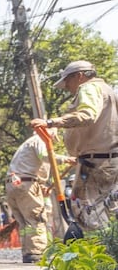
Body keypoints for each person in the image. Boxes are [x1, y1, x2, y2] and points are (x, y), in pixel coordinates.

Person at [31, 60, 118, 231]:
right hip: (108, 160)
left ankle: (101, 254)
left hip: (96, 163)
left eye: (68, 82)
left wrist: (50, 122)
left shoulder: (89, 88)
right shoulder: (109, 91)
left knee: (89, 212)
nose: (68, 87)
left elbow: (87, 115)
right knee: (108, 209)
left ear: (79, 76)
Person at [5, 131, 72, 263]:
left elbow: (38, 168)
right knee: (36, 218)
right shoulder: (39, 141)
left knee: (25, 222)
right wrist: (66, 159)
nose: (52, 141)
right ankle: (37, 252)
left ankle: (28, 252)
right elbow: (46, 156)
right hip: (25, 183)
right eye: (53, 138)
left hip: (13, 184)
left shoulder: (28, 145)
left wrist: (41, 186)